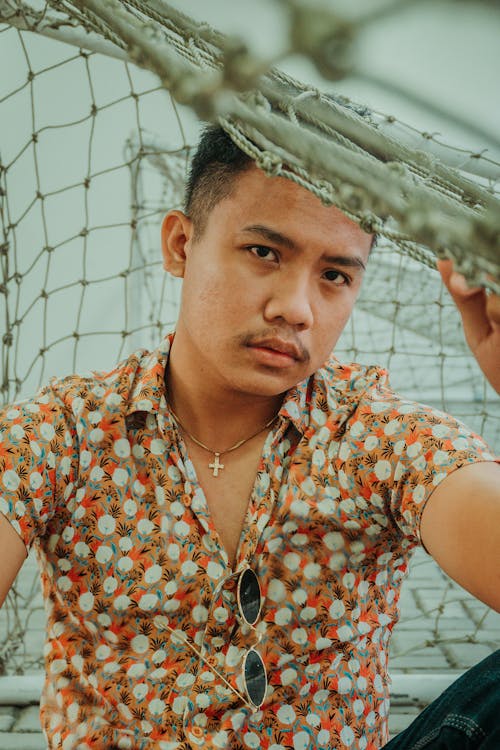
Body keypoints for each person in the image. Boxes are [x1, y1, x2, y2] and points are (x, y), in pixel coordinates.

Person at [0, 125, 498, 750]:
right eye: (265, 252)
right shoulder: (61, 434)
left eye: (336, 275)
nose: (296, 308)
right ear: (181, 243)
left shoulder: (373, 437)